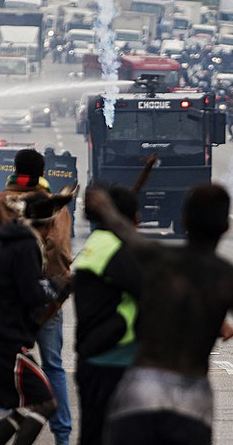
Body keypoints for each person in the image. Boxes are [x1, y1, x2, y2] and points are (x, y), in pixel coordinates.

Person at [84, 183, 233, 445]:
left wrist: (104, 206)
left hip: (141, 390)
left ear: (184, 221)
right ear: (226, 227)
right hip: (192, 399)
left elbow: (124, 231)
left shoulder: (159, 259)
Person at [0, 148, 74, 445]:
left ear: (14, 169)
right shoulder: (52, 207)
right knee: (52, 367)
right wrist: (54, 289)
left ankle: (1, 422)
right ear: (43, 173)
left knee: (8, 373)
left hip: (6, 310)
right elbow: (61, 252)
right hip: (46, 303)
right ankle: (62, 437)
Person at [73, 186, 142, 445]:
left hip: (95, 356)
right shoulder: (114, 250)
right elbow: (150, 289)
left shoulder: (99, 243)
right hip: (114, 360)